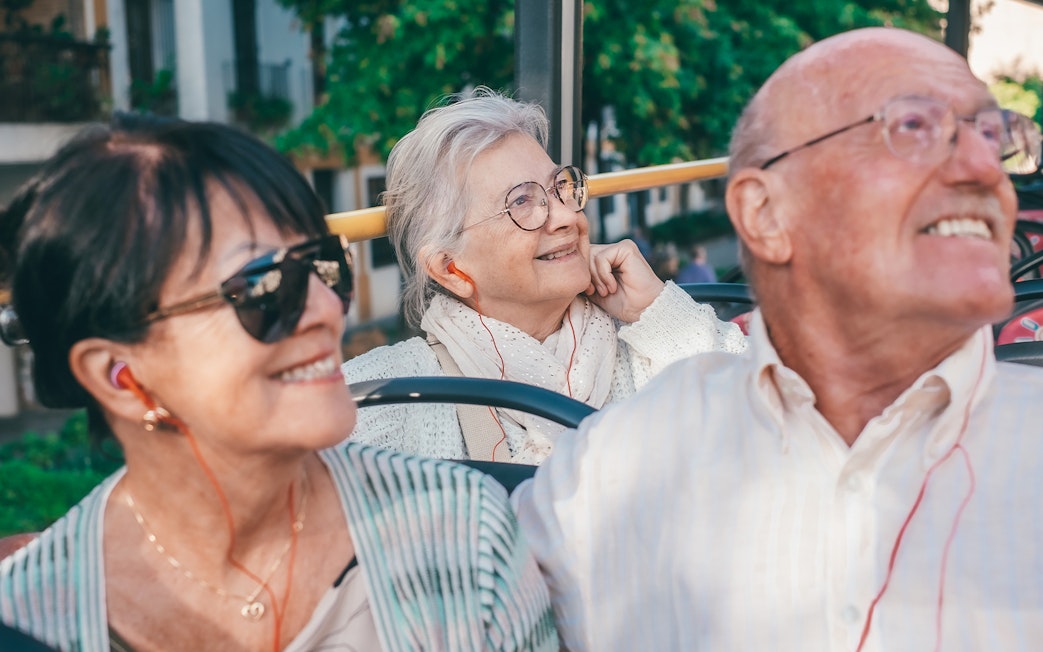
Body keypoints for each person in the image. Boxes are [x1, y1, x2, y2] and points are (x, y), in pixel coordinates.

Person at [513, 26, 1043, 651]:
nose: (987, 169)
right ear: (766, 214)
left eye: (991, 136)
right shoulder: (611, 470)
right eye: (914, 128)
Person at [0, 115, 556, 651]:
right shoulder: (30, 619)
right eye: (263, 286)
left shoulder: (461, 528)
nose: (324, 309)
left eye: (322, 263)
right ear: (122, 378)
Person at [342, 89, 747, 464]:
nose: (569, 216)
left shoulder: (646, 339)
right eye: (522, 202)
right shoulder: (389, 397)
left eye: (560, 188)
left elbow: (778, 415)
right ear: (451, 269)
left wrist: (657, 311)